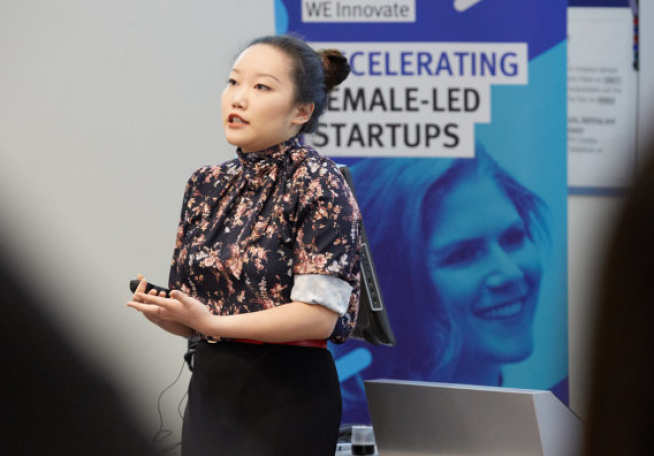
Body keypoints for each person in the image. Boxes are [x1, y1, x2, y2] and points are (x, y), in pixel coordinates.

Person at [126, 35, 361, 455]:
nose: (238, 98)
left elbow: (319, 316)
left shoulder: (318, 182)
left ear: (302, 111)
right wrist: (175, 315)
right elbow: (202, 312)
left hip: (287, 396)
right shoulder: (205, 184)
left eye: (262, 87)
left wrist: (213, 325)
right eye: (233, 82)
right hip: (212, 390)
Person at [333, 146, 553, 423]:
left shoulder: (561, 420)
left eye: (513, 238)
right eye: (463, 255)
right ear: (392, 286)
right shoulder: (337, 430)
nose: (511, 273)